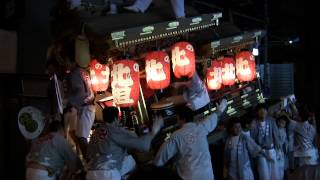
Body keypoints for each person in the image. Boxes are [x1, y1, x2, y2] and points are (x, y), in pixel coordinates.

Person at [153, 99, 228, 180]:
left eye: (178, 119)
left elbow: (161, 158)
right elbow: (214, 116)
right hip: (208, 176)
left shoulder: (177, 135)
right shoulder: (201, 127)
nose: (177, 122)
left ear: (182, 119)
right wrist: (220, 108)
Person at [86, 106, 164, 180]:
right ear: (116, 119)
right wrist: (154, 131)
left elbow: (88, 154)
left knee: (129, 161)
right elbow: (142, 145)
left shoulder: (95, 133)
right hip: (107, 174)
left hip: (90, 173)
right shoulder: (115, 130)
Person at [67, 61, 95, 158]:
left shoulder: (74, 73)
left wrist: (68, 102)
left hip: (85, 107)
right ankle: (87, 160)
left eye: (65, 61)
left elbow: (80, 92)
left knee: (81, 138)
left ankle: (90, 162)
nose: (65, 64)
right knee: (78, 136)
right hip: (86, 107)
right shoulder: (83, 71)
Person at [250, 104, 281, 180]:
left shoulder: (271, 120)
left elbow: (276, 135)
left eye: (264, 109)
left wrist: (278, 149)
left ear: (267, 111)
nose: (262, 111)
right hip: (261, 152)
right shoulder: (254, 122)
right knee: (264, 175)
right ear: (257, 112)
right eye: (260, 110)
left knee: (275, 174)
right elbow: (252, 139)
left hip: (271, 150)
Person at [276, 115, 289, 179]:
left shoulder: (284, 130)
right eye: (281, 122)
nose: (282, 124)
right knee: (278, 167)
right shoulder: (276, 130)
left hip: (281, 151)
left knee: (281, 167)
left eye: (284, 123)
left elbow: (285, 141)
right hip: (277, 151)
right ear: (278, 122)